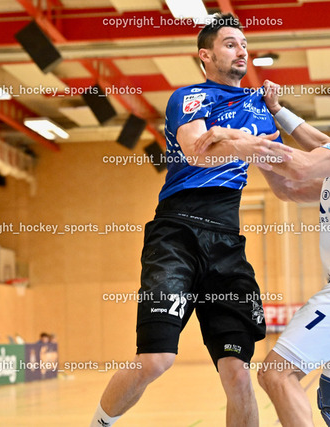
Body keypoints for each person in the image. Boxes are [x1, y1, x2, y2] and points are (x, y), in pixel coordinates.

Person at [90, 13, 292, 427]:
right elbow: (197, 152)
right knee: (155, 359)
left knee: (238, 373)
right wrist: (247, 144)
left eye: (244, 44)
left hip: (227, 242)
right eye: (230, 44)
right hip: (176, 234)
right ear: (206, 55)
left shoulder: (261, 108)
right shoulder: (189, 97)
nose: (241, 51)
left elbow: (287, 183)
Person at [204, 69, 330, 426]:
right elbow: (291, 188)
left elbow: (302, 167)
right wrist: (274, 117)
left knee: (276, 374)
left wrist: (241, 140)